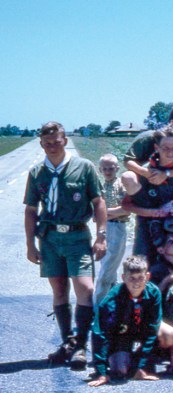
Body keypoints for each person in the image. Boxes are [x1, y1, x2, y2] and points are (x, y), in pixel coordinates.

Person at [24, 121, 107, 369]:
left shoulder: (84, 168)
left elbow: (99, 202)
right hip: (49, 239)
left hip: (77, 237)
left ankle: (81, 343)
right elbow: (30, 210)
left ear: (65, 140)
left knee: (85, 288)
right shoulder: (37, 172)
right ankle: (68, 342)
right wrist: (30, 244)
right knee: (59, 289)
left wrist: (101, 235)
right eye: (46, 143)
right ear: (41, 144)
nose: (51, 146)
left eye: (56, 141)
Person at [121, 126, 173, 263]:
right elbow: (126, 205)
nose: (170, 152)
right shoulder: (145, 170)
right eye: (165, 148)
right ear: (156, 147)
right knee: (141, 263)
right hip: (148, 219)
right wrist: (152, 212)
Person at [88, 256, 161, 387]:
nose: (136, 283)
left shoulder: (154, 293)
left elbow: (152, 329)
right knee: (120, 370)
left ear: (148, 277)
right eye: (131, 278)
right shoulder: (112, 299)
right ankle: (125, 359)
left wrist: (141, 368)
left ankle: (143, 362)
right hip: (121, 333)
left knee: (165, 333)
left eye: (140, 278)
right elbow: (100, 333)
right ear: (123, 278)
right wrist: (101, 372)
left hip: (142, 329)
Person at [123, 103, 173, 184]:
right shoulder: (147, 138)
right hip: (146, 177)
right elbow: (127, 161)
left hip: (170, 178)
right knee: (128, 175)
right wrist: (145, 172)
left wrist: (165, 174)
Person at [94, 153, 130, 304]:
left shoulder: (121, 186)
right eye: (104, 169)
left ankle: (96, 306)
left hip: (117, 228)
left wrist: (105, 213)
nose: (108, 172)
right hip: (102, 229)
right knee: (108, 267)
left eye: (111, 169)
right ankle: (112, 303)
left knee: (106, 271)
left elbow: (126, 209)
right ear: (100, 170)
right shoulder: (100, 187)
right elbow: (95, 213)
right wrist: (101, 216)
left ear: (117, 168)